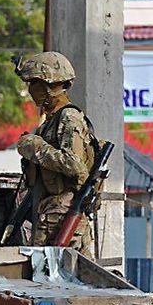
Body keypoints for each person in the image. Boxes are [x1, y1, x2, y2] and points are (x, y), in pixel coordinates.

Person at [13, 51, 96, 257]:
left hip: (63, 214)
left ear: (49, 84)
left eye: (34, 83)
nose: (31, 89)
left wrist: (35, 147)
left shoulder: (69, 117)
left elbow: (74, 165)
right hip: (52, 211)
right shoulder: (51, 120)